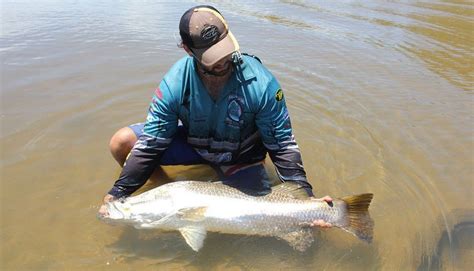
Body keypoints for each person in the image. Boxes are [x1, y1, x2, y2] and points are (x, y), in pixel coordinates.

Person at [99, 5, 332, 228]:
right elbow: (151, 145)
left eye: (224, 49)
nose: (222, 61)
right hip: (197, 146)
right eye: (212, 56)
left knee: (269, 219)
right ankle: (165, 188)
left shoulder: (262, 84)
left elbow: (282, 146)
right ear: (187, 49)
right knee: (121, 142)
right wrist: (118, 194)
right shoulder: (175, 83)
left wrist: (306, 198)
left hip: (241, 156)